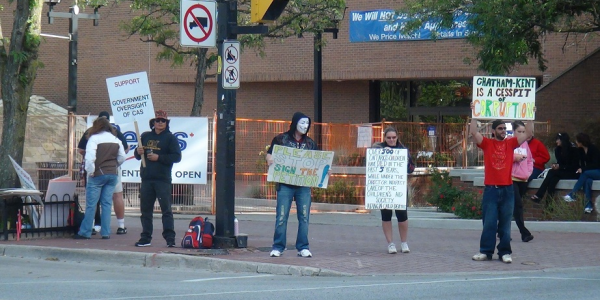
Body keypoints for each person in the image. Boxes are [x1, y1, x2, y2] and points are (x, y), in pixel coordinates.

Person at [470, 116, 532, 264]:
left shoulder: (510, 143)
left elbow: (528, 134)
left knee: (505, 223)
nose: (503, 131)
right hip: (491, 189)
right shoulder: (487, 144)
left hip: (507, 189)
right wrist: (474, 115)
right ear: (493, 131)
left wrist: (531, 116)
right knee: (489, 222)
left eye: (505, 128)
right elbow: (473, 132)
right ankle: (486, 251)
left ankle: (505, 252)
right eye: (500, 128)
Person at [266, 112, 318, 258]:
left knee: (304, 216)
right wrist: (269, 159)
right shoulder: (280, 139)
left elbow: (318, 161)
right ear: (295, 123)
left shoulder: (310, 143)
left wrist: (325, 170)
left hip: (303, 185)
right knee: (281, 216)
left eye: (307, 124)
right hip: (285, 184)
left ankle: (303, 247)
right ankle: (278, 246)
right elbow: (270, 153)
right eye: (302, 123)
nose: (305, 126)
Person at [134, 110, 182, 247]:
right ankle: (145, 237)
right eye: (157, 120)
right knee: (145, 211)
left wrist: (159, 157)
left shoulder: (170, 138)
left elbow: (177, 157)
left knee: (166, 210)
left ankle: (170, 238)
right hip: (146, 179)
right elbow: (137, 155)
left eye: (163, 121)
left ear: (167, 123)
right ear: (153, 122)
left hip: (162, 179)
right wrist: (138, 152)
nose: (160, 123)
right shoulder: (145, 136)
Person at [78, 111, 130, 235]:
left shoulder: (94, 138)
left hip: (97, 174)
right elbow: (122, 156)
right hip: (112, 173)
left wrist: (90, 172)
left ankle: (85, 231)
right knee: (107, 204)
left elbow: (89, 158)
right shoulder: (115, 138)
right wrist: (114, 165)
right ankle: (106, 232)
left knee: (92, 204)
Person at [371, 127, 413, 254]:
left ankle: (404, 242)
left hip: (398, 187)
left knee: (402, 216)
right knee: (386, 216)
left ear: (397, 137)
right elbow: (370, 160)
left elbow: (411, 168)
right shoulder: (378, 148)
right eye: (389, 138)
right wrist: (382, 152)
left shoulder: (403, 150)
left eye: (393, 137)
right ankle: (390, 243)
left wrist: (405, 162)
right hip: (384, 188)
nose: (391, 140)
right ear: (385, 138)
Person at [531, 133, 580, 202]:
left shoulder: (573, 150)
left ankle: (539, 195)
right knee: (553, 180)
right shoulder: (558, 150)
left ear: (563, 140)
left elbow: (574, 166)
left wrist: (560, 167)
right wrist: (555, 165)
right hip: (562, 171)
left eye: (558, 139)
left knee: (551, 172)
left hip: (572, 172)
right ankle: (549, 206)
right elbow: (560, 162)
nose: (556, 141)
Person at [563, 133, 600, 213]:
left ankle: (573, 194)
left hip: (598, 171)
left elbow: (595, 164)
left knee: (585, 173)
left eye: (577, 141)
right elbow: (582, 163)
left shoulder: (593, 149)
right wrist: (581, 169)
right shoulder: (580, 150)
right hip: (590, 172)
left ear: (581, 141)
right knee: (587, 181)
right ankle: (588, 205)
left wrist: (583, 169)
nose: (576, 142)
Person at [510, 121, 534, 242]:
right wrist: (515, 158)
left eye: (523, 132)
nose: (521, 134)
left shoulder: (525, 144)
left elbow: (530, 160)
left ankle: (501, 230)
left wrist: (528, 173)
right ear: (513, 131)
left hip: (523, 179)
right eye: (519, 131)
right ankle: (524, 232)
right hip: (511, 178)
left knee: (511, 207)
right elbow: (502, 156)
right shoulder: (508, 142)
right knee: (517, 205)